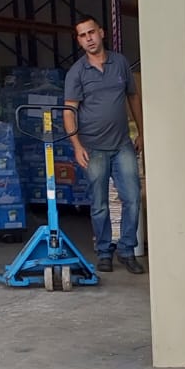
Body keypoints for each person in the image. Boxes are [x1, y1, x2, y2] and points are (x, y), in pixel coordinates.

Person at [63, 15, 144, 274]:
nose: (88, 39)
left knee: (132, 198)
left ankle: (127, 251)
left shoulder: (120, 63)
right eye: (82, 35)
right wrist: (77, 146)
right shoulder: (77, 72)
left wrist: (142, 132)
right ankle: (104, 252)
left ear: (101, 33)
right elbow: (69, 112)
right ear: (79, 41)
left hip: (122, 145)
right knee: (99, 204)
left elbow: (133, 97)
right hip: (93, 148)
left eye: (91, 32)